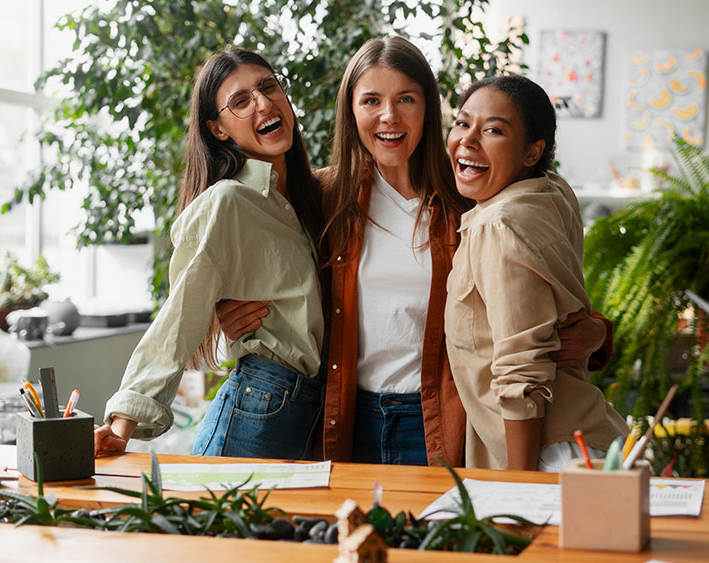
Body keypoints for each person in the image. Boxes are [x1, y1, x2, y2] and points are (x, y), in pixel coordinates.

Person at [217, 36, 612, 467]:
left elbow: (539, 292)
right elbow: (257, 285)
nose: (389, 116)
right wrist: (221, 323)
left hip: (443, 421)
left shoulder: (471, 194)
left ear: (429, 107)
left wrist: (596, 331)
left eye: (406, 99)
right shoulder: (319, 196)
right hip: (346, 417)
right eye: (371, 100)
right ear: (351, 110)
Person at [94, 48, 328, 460]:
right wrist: (122, 425)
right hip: (259, 407)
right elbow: (180, 316)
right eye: (241, 101)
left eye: (269, 87)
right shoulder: (227, 202)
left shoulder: (312, 197)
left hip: (310, 408)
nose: (264, 103)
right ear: (218, 130)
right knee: (213, 527)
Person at [444, 75, 628, 472]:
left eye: (493, 129)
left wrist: (522, 486)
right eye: (462, 123)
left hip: (547, 456)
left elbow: (520, 371)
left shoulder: (498, 225)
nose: (469, 140)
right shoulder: (550, 191)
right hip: (581, 439)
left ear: (532, 152)